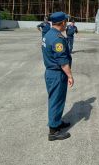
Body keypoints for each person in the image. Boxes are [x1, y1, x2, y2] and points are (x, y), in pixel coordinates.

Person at [41, 11, 73, 141]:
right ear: (63, 23)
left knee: (57, 99)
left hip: (51, 72)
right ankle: (53, 131)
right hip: (56, 74)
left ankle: (57, 121)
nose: (67, 23)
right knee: (56, 100)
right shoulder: (57, 38)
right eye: (66, 21)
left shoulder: (49, 34)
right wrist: (70, 76)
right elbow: (62, 61)